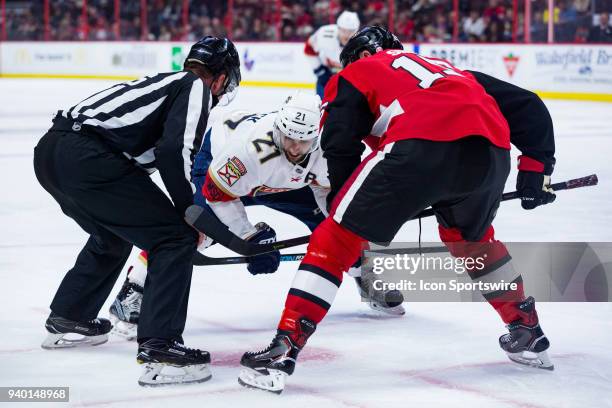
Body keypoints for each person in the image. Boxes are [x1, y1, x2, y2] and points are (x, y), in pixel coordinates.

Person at [238, 26, 557, 393]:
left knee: (333, 241)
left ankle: (285, 347)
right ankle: (526, 329)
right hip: (491, 154)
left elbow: (339, 144)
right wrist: (536, 170)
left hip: (416, 144)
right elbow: (528, 105)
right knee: (473, 243)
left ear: (357, 56)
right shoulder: (449, 70)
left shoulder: (355, 73)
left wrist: (347, 211)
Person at [108, 92, 406, 340]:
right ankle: (133, 290)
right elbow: (219, 195)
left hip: (288, 181)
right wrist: (250, 238)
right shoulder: (247, 151)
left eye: (302, 142)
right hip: (221, 170)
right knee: (193, 232)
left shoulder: (328, 147)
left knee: (343, 224)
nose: (294, 148)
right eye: (288, 139)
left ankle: (364, 274)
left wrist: (338, 225)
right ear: (278, 128)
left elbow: (325, 188)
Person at [33, 36, 241, 387]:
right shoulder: (195, 87)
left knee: (110, 235)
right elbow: (174, 152)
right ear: (219, 77)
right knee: (175, 238)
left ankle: (71, 315)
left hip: (52, 152)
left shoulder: (166, 82)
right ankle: (161, 348)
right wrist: (189, 212)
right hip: (88, 158)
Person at [304, 10, 360, 98]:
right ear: (337, 27)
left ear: (356, 30)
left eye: (350, 31)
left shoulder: (363, 41)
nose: (346, 35)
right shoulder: (324, 34)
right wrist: (319, 70)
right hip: (327, 75)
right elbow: (309, 48)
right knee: (321, 107)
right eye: (343, 30)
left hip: (351, 79)